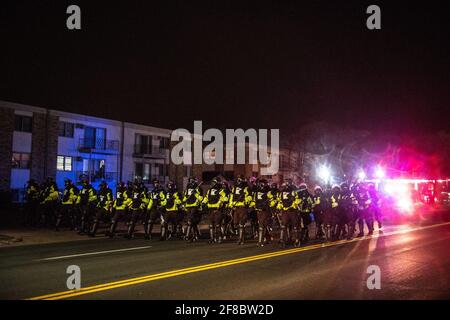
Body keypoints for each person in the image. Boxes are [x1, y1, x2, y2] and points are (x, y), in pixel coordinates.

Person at [252, 179, 276, 247]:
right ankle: (268, 237)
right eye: (260, 183)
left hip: (266, 211)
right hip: (258, 211)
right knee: (264, 225)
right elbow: (254, 200)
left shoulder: (268, 192)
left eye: (262, 183)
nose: (261, 185)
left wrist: (269, 204)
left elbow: (273, 201)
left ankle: (260, 241)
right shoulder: (256, 192)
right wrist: (254, 206)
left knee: (261, 225)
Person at [276, 180, 301, 247]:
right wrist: (279, 207)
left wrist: (294, 203)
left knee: (295, 226)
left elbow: (298, 199)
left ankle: (296, 240)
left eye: (288, 183)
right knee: (283, 226)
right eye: (286, 184)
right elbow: (280, 200)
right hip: (285, 211)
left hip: (293, 211)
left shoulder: (294, 191)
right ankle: (282, 241)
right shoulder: (282, 192)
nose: (287, 185)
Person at [202, 177, 227, 243]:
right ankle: (212, 239)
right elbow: (206, 197)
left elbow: (224, 198)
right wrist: (203, 203)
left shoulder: (221, 190)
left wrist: (220, 203)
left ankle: (219, 238)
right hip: (210, 210)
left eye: (213, 182)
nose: (212, 184)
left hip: (218, 210)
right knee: (211, 225)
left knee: (217, 225)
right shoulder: (209, 191)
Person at [229, 175, 252, 245]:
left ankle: (241, 239)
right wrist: (231, 205)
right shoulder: (234, 188)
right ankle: (243, 235)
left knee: (241, 223)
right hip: (236, 208)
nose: (239, 181)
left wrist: (245, 201)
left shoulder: (246, 188)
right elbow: (231, 197)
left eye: (240, 180)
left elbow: (250, 197)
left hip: (242, 207)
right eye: (238, 179)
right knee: (235, 223)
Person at [182, 177, 203, 242]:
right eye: (190, 181)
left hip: (195, 206)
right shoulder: (188, 188)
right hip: (188, 206)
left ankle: (187, 236)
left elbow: (200, 198)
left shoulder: (198, 188)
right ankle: (196, 235)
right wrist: (183, 202)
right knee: (192, 222)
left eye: (192, 181)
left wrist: (195, 193)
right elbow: (186, 196)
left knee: (190, 221)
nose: (191, 182)